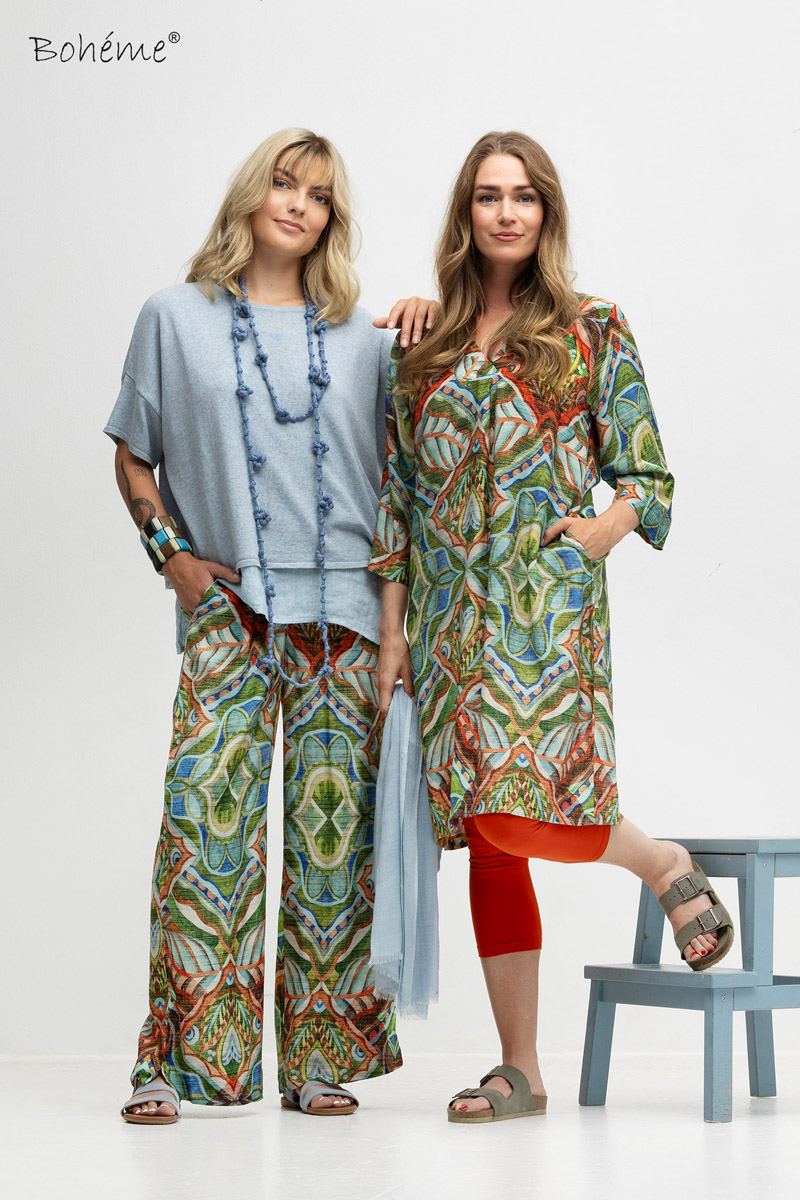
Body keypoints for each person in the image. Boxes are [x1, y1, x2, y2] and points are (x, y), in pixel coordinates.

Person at [370, 130, 734, 1124]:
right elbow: (396, 503)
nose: (505, 213)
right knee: (488, 837)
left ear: (546, 212)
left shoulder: (590, 327)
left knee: (517, 808)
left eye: (523, 196)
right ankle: (521, 1069)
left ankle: (658, 862)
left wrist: (604, 530)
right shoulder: (421, 347)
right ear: (465, 212)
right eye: (488, 196)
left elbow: (646, 471)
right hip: (448, 623)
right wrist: (394, 635)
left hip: (546, 612)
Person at [106, 128, 434, 1122]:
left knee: (334, 850)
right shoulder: (174, 317)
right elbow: (131, 453)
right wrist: (173, 560)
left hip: (347, 621)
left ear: (333, 218)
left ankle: (319, 1059)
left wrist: (431, 315)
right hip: (232, 612)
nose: (298, 204)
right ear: (253, 192)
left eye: (319, 195)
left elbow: (401, 485)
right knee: (202, 836)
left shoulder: (367, 338)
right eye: (285, 183)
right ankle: (176, 1064)